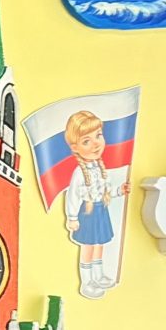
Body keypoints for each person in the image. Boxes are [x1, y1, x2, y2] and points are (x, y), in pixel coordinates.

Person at [59, 109, 121, 296]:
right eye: (87, 141)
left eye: (98, 136)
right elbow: (73, 195)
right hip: (87, 213)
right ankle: (87, 282)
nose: (95, 144)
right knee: (88, 247)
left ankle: (99, 275)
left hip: (101, 210)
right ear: (75, 147)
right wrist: (72, 217)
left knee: (99, 244)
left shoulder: (100, 169)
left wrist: (119, 191)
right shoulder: (79, 173)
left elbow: (105, 191)